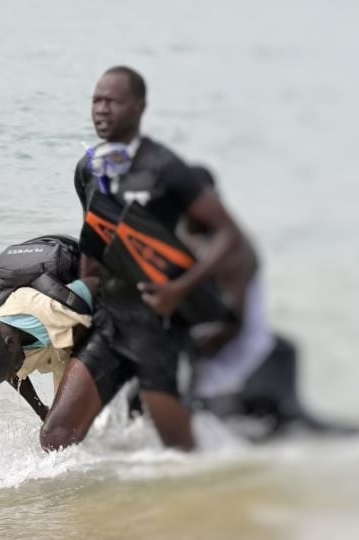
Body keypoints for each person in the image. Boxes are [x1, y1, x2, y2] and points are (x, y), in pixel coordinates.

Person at [39, 66, 251, 452]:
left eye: (113, 101)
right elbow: (94, 245)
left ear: (139, 107)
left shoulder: (165, 167)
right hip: (109, 323)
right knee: (56, 438)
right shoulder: (89, 169)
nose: (101, 109)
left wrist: (179, 289)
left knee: (177, 454)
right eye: (96, 100)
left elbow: (227, 234)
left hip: (157, 329)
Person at [176, 166, 359, 439]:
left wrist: (182, 349)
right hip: (228, 369)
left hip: (246, 370)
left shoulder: (230, 248)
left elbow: (232, 324)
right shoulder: (193, 242)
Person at [0, 272, 98, 420]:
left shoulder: (49, 310)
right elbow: (8, 372)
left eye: (12, 371)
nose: (14, 377)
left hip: (76, 331)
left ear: (10, 343)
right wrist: (41, 411)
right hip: (52, 346)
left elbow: (95, 284)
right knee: (64, 422)